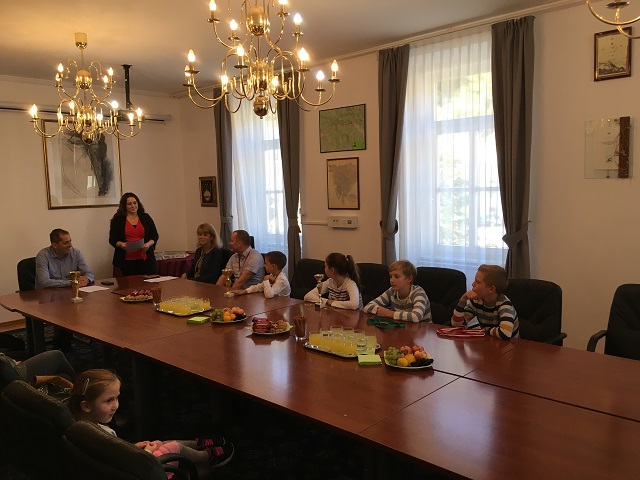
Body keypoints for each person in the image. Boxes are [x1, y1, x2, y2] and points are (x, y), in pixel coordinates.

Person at [68, 369, 234, 471]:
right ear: (86, 406)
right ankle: (207, 456)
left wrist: (134, 447)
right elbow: (128, 465)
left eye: (117, 398)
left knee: (159, 443)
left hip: (126, 464)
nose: (116, 406)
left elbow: (117, 455)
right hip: (141, 472)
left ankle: (198, 444)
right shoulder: (100, 437)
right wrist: (146, 452)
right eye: (108, 401)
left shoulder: (78, 426)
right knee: (173, 447)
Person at [35, 228, 95, 349]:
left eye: (70, 241)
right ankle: (59, 346)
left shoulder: (76, 253)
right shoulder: (43, 255)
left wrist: (87, 279)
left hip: (70, 294)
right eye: (66, 242)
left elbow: (89, 273)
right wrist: (73, 282)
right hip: (48, 298)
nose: (70, 245)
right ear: (55, 245)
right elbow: (44, 282)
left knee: (91, 307)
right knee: (63, 313)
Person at [451, 264, 520, 340]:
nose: (473, 284)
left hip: (511, 345)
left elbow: (505, 334)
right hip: (489, 342)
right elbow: (456, 324)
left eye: (477, 282)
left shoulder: (505, 305)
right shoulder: (477, 301)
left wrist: (484, 330)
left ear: (491, 289)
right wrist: (463, 300)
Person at [362, 260, 431, 323]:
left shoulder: (418, 293)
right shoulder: (392, 291)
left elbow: (416, 317)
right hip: (403, 327)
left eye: (396, 277)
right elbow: (367, 307)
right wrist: (380, 310)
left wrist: (389, 313)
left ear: (409, 279)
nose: (391, 280)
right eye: (390, 276)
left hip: (423, 330)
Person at [109, 192, 159, 276]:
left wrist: (148, 244)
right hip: (126, 261)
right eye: (129, 204)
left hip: (146, 259)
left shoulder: (146, 217)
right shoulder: (118, 220)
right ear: (124, 206)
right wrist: (121, 245)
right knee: (129, 284)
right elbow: (112, 239)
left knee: (148, 282)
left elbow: (155, 235)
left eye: (135, 203)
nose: (133, 206)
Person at [0, 350, 75, 390]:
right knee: (58, 355)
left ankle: (74, 386)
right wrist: (11, 364)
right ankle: (79, 385)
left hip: (9, 367)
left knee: (65, 376)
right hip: (16, 375)